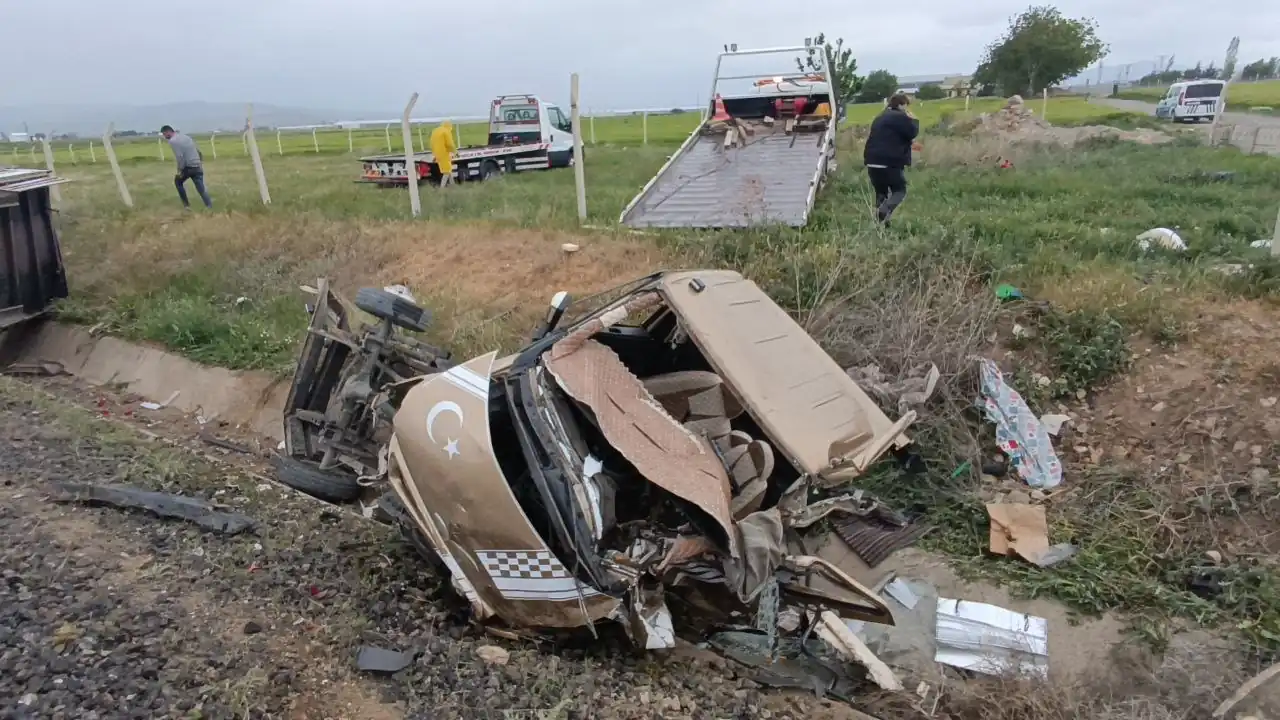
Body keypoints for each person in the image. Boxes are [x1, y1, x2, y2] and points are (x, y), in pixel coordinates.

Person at [862, 93, 920, 227]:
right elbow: (912, 132)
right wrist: (914, 120)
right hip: (890, 161)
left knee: (881, 193)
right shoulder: (900, 117)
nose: (907, 109)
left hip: (872, 160)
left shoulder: (880, 117)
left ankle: (882, 225)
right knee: (899, 190)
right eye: (906, 105)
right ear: (901, 104)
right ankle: (884, 210)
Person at [161, 125, 212, 209]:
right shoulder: (186, 137)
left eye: (164, 134)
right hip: (197, 165)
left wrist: (180, 170)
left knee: (178, 182)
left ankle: (186, 206)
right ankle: (209, 205)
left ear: (168, 132)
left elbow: (180, 157)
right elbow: (198, 150)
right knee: (200, 187)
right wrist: (200, 162)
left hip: (188, 167)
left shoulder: (173, 141)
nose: (164, 136)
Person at [429, 120, 457, 187]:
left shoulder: (435, 131)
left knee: (448, 170)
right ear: (449, 126)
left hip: (437, 154)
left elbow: (431, 143)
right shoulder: (446, 131)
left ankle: (453, 185)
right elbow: (450, 144)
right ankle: (442, 188)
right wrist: (455, 152)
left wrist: (434, 154)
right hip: (444, 154)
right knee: (447, 171)